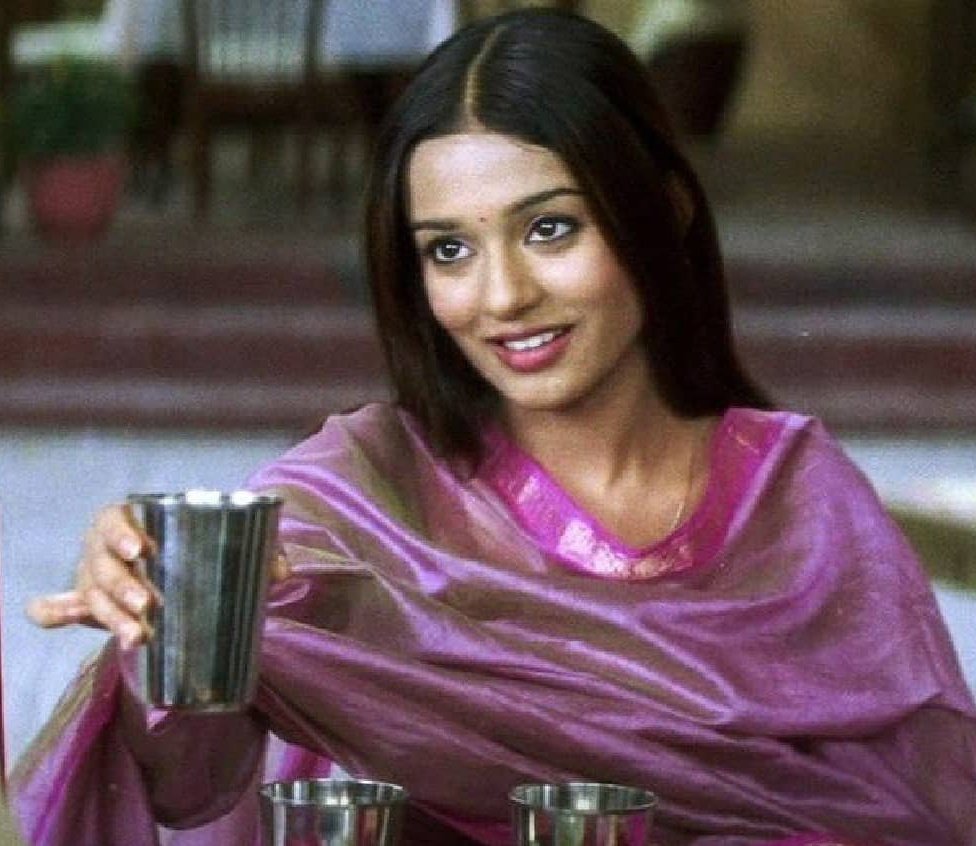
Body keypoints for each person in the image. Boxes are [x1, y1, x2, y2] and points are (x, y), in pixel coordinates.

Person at [12, 9, 976, 845]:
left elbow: (921, 811)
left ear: (666, 207)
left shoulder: (796, 501)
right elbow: (183, 783)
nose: (502, 295)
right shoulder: (359, 497)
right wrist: (163, 612)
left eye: (550, 228)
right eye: (449, 250)